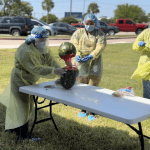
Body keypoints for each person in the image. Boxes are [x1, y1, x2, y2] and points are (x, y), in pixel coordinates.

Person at [0, 26, 66, 141]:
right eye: (42, 40)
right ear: (35, 39)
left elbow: (51, 61)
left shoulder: (42, 48)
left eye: (46, 40)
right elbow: (35, 69)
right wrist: (54, 71)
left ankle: (13, 128)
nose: (44, 42)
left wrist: (60, 71)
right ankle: (23, 136)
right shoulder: (25, 50)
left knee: (21, 106)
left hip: (29, 81)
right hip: (20, 80)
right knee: (21, 108)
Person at [70, 13, 107, 121]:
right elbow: (74, 44)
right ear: (84, 23)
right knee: (81, 86)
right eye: (87, 23)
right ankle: (83, 109)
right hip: (81, 63)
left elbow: (101, 46)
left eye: (92, 23)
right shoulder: (78, 32)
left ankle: (92, 111)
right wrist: (77, 54)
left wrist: (91, 55)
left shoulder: (100, 34)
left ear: (95, 24)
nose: (89, 25)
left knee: (92, 86)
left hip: (95, 63)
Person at [131, 28, 150, 99]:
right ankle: (146, 107)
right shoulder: (146, 32)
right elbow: (136, 43)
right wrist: (139, 44)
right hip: (146, 65)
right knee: (147, 89)